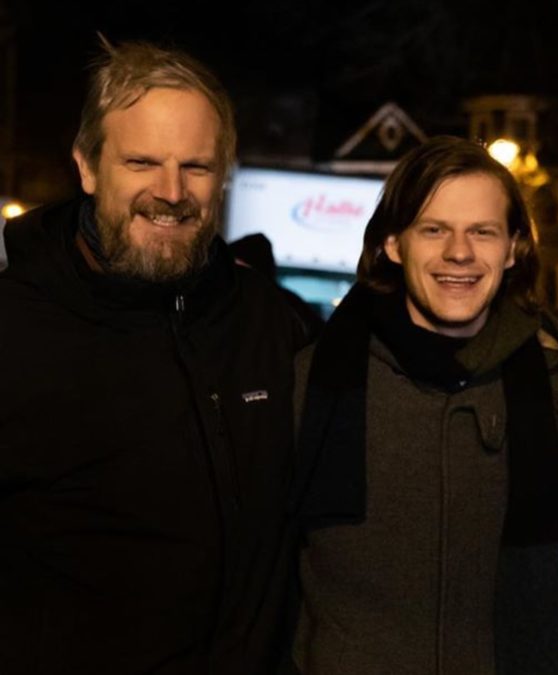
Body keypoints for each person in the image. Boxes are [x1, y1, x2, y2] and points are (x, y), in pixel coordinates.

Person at [0, 39, 303, 673]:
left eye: (196, 166)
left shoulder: (268, 322)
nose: (171, 192)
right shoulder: (18, 327)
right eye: (141, 162)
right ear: (87, 167)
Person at [290, 136, 558, 674]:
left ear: (513, 248)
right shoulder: (314, 384)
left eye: (482, 232)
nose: (459, 253)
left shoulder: (557, 390)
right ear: (394, 243)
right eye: (434, 229)